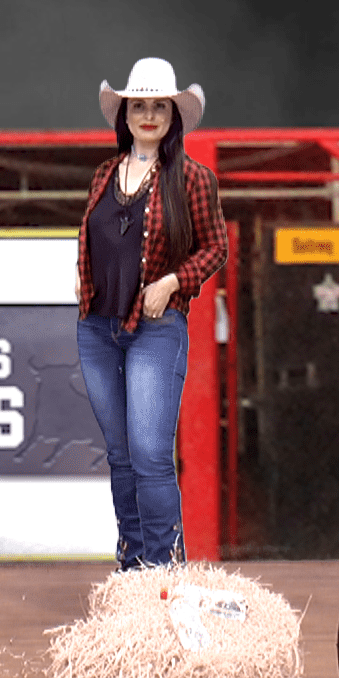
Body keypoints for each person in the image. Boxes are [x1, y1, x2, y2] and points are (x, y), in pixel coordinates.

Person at [75, 57, 228, 569]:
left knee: (149, 454)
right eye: (138, 106)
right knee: (120, 456)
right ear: (125, 115)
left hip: (155, 329)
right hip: (97, 326)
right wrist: (84, 278)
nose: (147, 115)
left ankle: (163, 571)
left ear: (172, 116)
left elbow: (215, 247)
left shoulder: (193, 178)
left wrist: (173, 281)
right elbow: (95, 237)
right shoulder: (104, 175)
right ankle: (132, 565)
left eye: (158, 106)